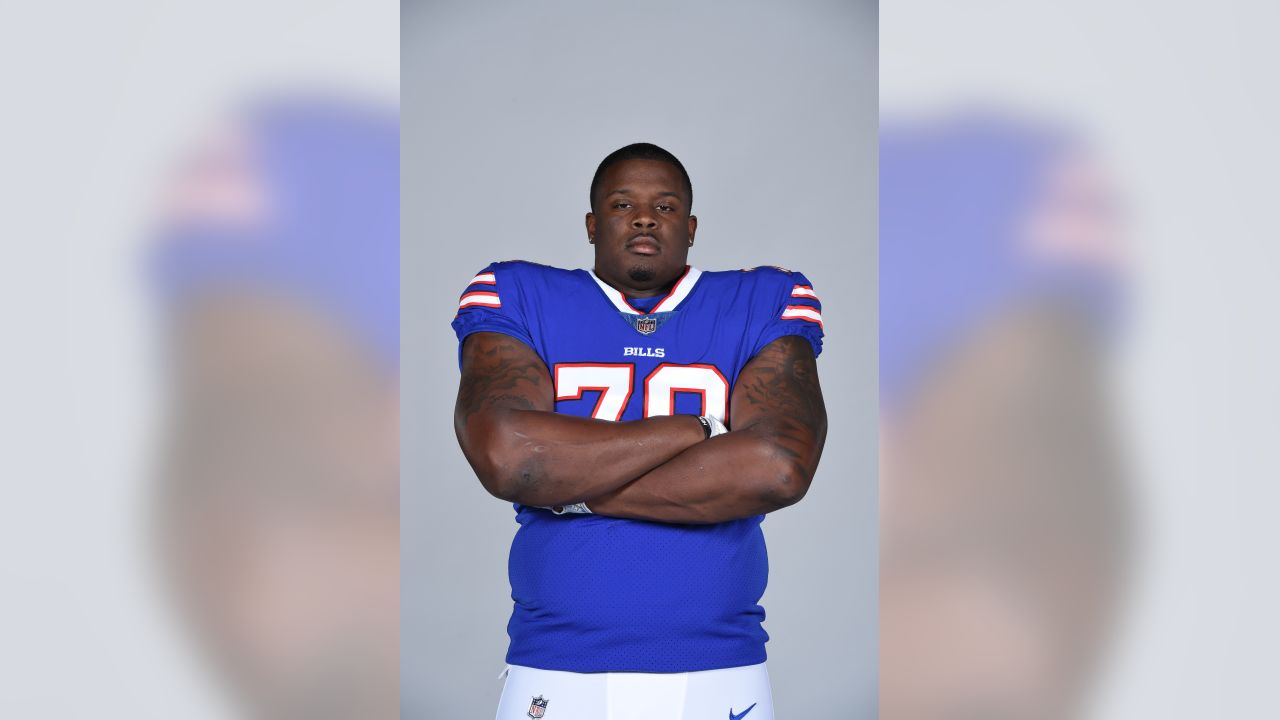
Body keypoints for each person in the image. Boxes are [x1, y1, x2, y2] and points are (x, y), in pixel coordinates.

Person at [452, 143, 828, 719]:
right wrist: (696, 429)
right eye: (623, 203)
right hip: (557, 664)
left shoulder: (763, 300)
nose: (646, 217)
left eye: (667, 206)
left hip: (717, 670)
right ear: (592, 223)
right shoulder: (517, 294)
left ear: (692, 227)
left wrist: (567, 487)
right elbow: (510, 457)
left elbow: (779, 465)